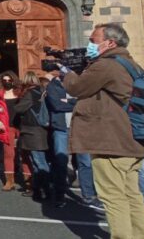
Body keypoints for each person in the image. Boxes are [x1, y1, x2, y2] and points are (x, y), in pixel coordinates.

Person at [62, 23, 144, 238]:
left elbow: (78, 88)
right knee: (132, 195)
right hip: (132, 140)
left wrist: (66, 72)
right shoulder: (131, 64)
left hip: (110, 141)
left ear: (109, 42)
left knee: (113, 197)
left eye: (93, 40)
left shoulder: (106, 65)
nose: (89, 45)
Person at [44, 68, 99, 209]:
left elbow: (88, 105)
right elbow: (57, 105)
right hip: (61, 129)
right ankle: (59, 195)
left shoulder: (82, 86)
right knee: (60, 162)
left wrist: (68, 101)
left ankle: (89, 195)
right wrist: (74, 102)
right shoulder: (53, 86)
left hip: (80, 129)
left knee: (86, 162)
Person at [13, 71, 51, 201]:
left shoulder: (30, 93)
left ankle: (45, 189)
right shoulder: (43, 91)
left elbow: (19, 109)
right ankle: (38, 189)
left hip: (33, 131)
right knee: (37, 161)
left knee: (39, 162)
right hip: (41, 129)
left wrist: (16, 101)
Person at [0, 71, 25, 192]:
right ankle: (9, 181)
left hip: (21, 126)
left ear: (13, 81)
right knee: (8, 153)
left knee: (25, 153)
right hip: (7, 127)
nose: (7, 83)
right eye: (4, 81)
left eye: (9, 80)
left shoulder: (21, 93)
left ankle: (28, 181)